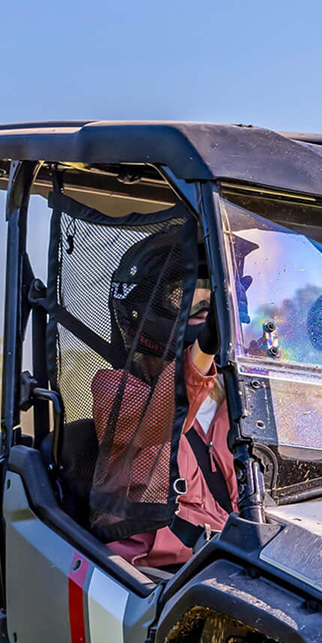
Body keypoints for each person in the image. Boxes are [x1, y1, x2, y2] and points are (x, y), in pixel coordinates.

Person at [89, 223, 239, 570]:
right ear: (146, 307)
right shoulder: (114, 387)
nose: (205, 308)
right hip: (149, 572)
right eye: (183, 294)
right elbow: (161, 420)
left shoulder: (241, 397)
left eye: (213, 297)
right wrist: (207, 344)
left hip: (230, 562)